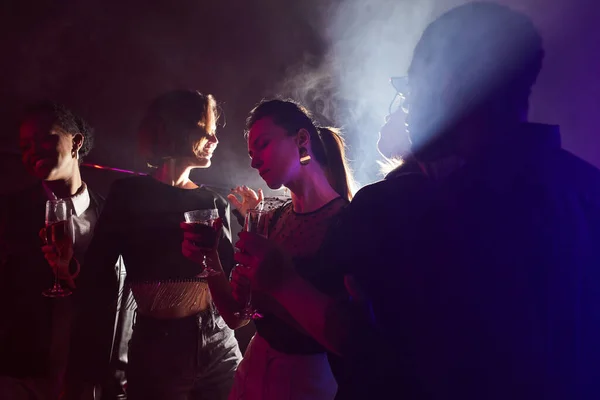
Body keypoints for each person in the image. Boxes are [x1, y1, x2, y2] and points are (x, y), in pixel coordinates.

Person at [234, 3, 600, 399]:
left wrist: (281, 280)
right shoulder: (586, 187)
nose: (407, 107)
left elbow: (374, 351)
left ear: (446, 83)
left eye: (411, 87)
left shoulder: (422, 208)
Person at [65, 90, 241, 400]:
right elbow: (98, 275)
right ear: (175, 129)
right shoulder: (129, 194)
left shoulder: (212, 201)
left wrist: (252, 223)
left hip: (219, 343)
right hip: (159, 346)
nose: (215, 140)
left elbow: (232, 282)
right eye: (206, 130)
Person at [183, 99, 355, 400]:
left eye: (262, 144)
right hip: (253, 370)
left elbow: (349, 338)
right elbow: (238, 315)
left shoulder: (346, 222)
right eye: (250, 153)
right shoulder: (269, 218)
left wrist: (277, 287)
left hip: (308, 383)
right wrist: (208, 259)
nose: (253, 161)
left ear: (302, 139)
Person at [0, 101, 129, 399]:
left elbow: (116, 295)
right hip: (22, 372)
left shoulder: (109, 216)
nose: (33, 151)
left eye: (45, 138)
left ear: (76, 142)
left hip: (87, 370)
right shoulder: (9, 212)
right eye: (25, 145)